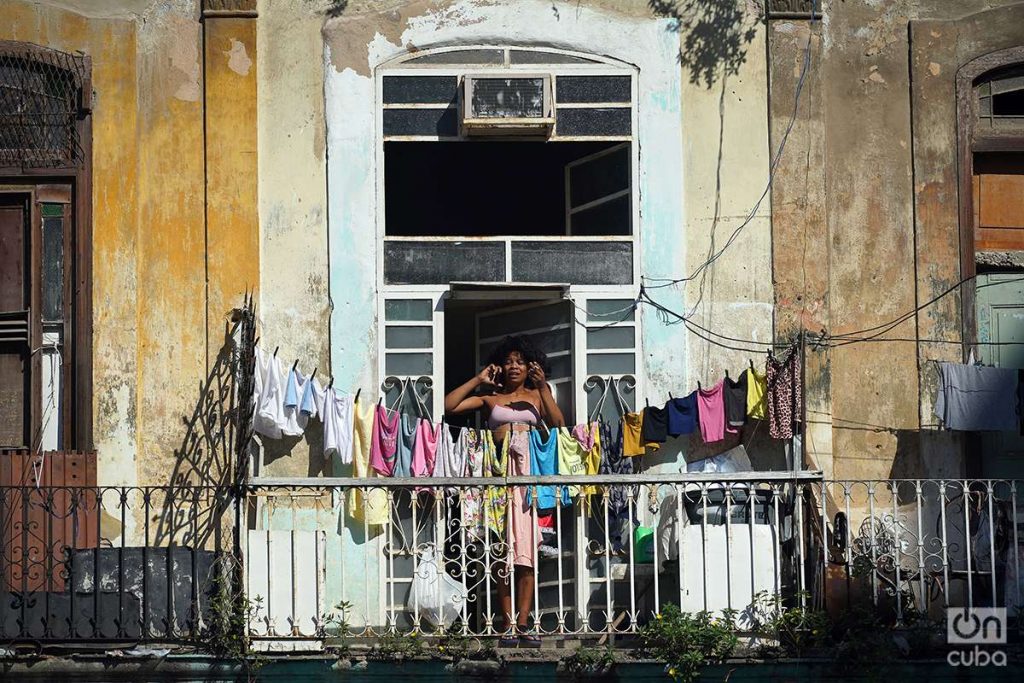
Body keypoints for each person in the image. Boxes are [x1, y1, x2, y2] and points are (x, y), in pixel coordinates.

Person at [443, 334, 566, 647]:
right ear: (500, 366)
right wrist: (478, 379)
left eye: (520, 362)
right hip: (497, 481)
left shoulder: (539, 395)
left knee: (526, 556)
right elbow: (449, 405)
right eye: (509, 361)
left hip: (527, 485)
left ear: (529, 366)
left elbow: (559, 424)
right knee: (502, 555)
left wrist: (541, 388)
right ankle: (507, 624)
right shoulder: (491, 399)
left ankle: (525, 624)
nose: (514, 366)